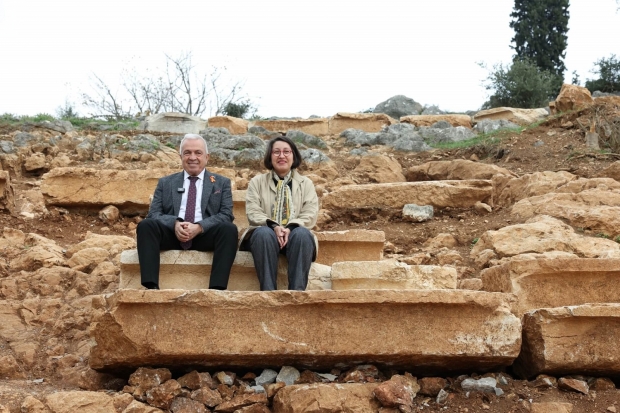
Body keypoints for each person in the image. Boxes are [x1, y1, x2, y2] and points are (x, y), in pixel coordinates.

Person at [137, 134, 238, 290]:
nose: (192, 157)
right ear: (180, 157)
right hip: (172, 234)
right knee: (146, 225)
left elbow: (226, 214)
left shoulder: (221, 183)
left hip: (204, 235)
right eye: (187, 153)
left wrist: (199, 227)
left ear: (207, 157)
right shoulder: (166, 183)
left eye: (198, 153)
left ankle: (217, 289)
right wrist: (174, 224)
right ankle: (151, 287)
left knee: (229, 229)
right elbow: (154, 213)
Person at [240, 136, 319, 291]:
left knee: (302, 235)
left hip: (295, 237)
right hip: (265, 237)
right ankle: (268, 293)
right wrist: (274, 226)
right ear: (270, 156)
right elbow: (253, 211)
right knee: (263, 233)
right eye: (276, 152)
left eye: (286, 152)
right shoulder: (257, 182)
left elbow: (310, 213)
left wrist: (290, 228)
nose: (281, 156)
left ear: (293, 156)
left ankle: (297, 294)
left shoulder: (306, 184)